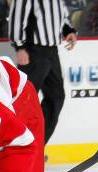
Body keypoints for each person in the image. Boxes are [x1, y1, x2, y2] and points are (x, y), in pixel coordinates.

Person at [9, 0, 76, 145]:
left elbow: (61, 14)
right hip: (33, 51)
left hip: (52, 51)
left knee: (56, 97)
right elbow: (17, 17)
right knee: (24, 102)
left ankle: (36, 145)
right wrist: (20, 47)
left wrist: (67, 30)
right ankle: (17, 147)